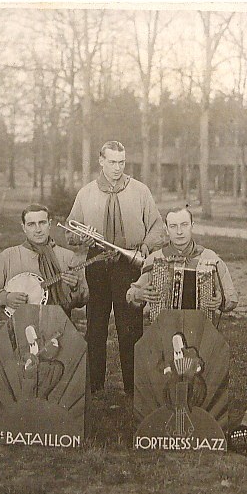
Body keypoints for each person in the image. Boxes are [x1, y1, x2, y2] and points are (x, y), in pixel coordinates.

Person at [66, 141, 164, 396]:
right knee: (96, 326)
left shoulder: (140, 191)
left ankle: (133, 388)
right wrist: (81, 239)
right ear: (101, 161)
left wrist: (145, 245)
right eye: (112, 162)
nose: (117, 168)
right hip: (97, 263)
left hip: (129, 264)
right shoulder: (86, 193)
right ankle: (95, 387)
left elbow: (157, 226)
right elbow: (71, 229)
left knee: (130, 327)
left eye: (121, 162)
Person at [0, 204, 88, 316]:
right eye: (31, 224)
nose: (38, 230)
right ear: (24, 228)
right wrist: (6, 297)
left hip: (59, 323)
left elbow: (82, 300)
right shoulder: (9, 256)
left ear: (49, 224)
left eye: (42, 223)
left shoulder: (67, 256)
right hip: (20, 324)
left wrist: (75, 287)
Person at [126, 207, 238, 317]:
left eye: (184, 225)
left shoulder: (210, 258)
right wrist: (139, 294)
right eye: (173, 226)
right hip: (163, 329)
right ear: (166, 229)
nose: (179, 232)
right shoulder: (154, 259)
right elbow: (131, 295)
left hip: (201, 328)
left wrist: (221, 299)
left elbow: (232, 297)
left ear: (192, 226)